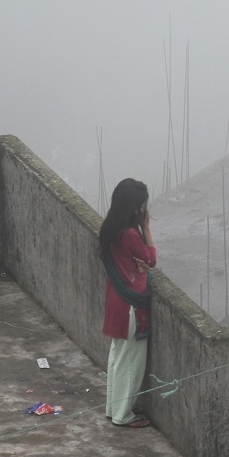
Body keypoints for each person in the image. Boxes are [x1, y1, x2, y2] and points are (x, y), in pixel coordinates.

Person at [99, 178, 156, 428]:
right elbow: (151, 259)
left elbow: (134, 263)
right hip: (130, 308)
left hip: (116, 302)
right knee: (130, 362)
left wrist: (139, 266)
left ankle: (114, 409)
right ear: (135, 207)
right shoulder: (131, 234)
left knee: (117, 359)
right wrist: (146, 227)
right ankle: (123, 414)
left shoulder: (110, 230)